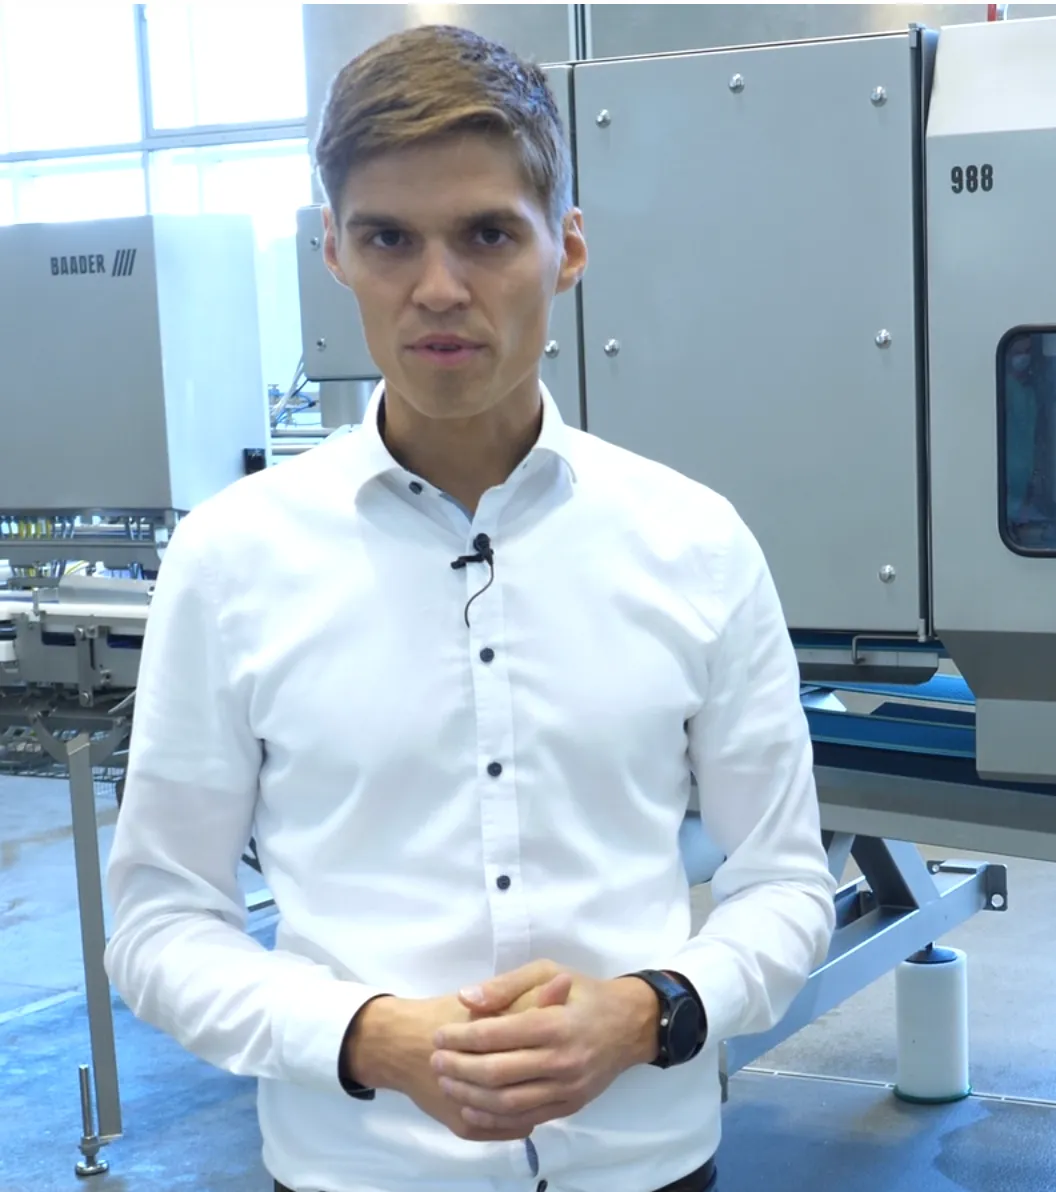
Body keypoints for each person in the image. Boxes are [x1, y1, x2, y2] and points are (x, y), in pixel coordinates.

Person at [103, 24, 837, 1192]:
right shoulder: (232, 559)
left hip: (643, 1166)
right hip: (359, 1171)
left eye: (488, 234)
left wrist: (648, 1012)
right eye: (388, 238)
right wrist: (368, 1037)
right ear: (333, 252)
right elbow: (158, 924)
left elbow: (786, 883)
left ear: (567, 247)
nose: (438, 288)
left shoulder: (695, 544)